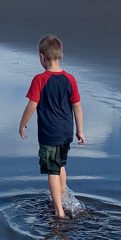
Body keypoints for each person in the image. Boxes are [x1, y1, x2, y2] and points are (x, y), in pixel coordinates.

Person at [18, 34, 85, 219]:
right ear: (61, 55)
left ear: (42, 57)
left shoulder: (40, 79)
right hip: (66, 132)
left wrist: (23, 124)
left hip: (50, 134)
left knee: (52, 170)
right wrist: (80, 130)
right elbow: (77, 106)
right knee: (61, 164)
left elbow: (32, 104)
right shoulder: (70, 79)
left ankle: (59, 211)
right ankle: (62, 196)